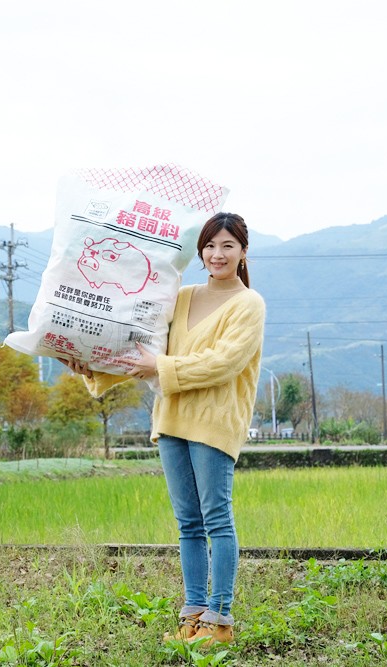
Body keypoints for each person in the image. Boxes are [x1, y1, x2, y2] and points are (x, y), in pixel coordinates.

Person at [61, 211, 266, 646]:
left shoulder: (249, 304)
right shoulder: (183, 296)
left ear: (243, 251)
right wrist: (91, 365)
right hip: (171, 419)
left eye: (227, 245)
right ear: (200, 251)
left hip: (214, 423)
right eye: (210, 246)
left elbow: (223, 362)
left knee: (217, 520)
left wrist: (161, 366)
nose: (217, 254)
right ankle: (192, 615)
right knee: (188, 523)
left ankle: (220, 619)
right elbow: (145, 349)